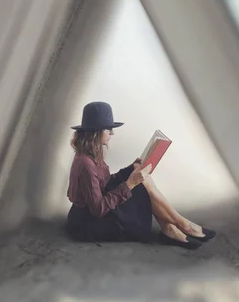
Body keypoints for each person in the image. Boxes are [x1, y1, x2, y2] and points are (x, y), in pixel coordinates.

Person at [66, 101, 215, 249]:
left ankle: (173, 227)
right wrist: (130, 183)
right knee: (140, 185)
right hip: (88, 223)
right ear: (95, 133)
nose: (112, 133)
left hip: (93, 213)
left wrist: (130, 169)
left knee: (143, 178)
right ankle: (182, 225)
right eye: (108, 129)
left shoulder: (90, 154)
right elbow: (98, 209)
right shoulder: (86, 163)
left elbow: (103, 183)